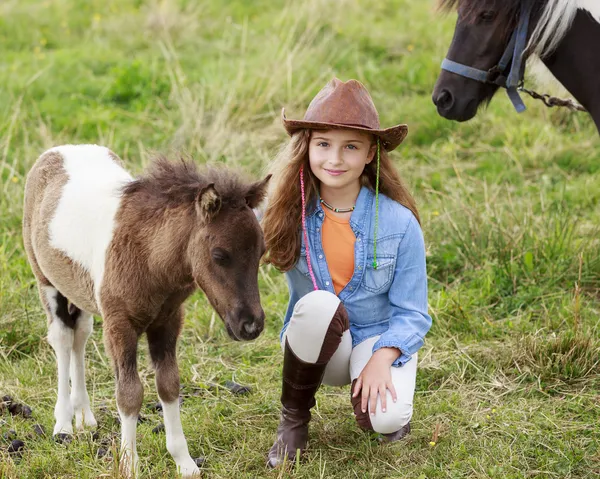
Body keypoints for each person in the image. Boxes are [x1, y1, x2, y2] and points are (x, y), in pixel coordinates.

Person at [261, 78, 432, 467]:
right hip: (318, 344)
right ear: (307, 147)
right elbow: (232, 232)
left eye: (350, 146)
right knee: (320, 304)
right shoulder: (285, 211)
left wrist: (382, 357)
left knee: (387, 419)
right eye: (323, 144)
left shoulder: (400, 223)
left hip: (376, 339)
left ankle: (374, 400)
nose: (334, 159)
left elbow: (413, 314)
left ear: (371, 153)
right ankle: (293, 422)